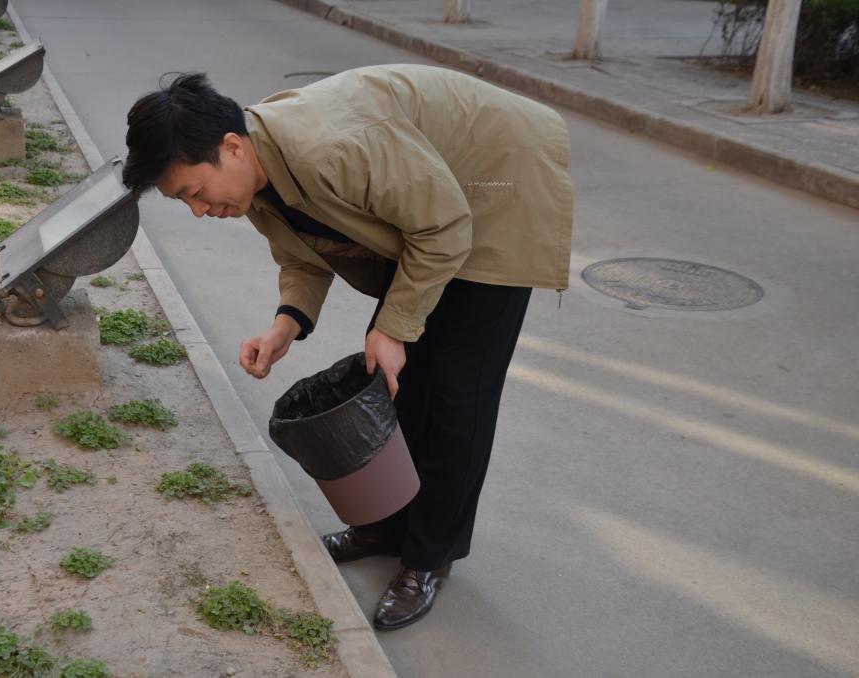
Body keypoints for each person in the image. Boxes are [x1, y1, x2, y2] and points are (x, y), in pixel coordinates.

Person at [123, 64, 573, 630]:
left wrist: (394, 327)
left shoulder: (330, 148)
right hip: (433, 211)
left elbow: (444, 227)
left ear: (232, 147)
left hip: (498, 184)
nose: (198, 210)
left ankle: (429, 556)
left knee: (458, 393)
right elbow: (304, 254)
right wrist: (285, 324)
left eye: (194, 192)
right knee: (399, 379)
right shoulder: (257, 179)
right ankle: (388, 525)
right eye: (183, 202)